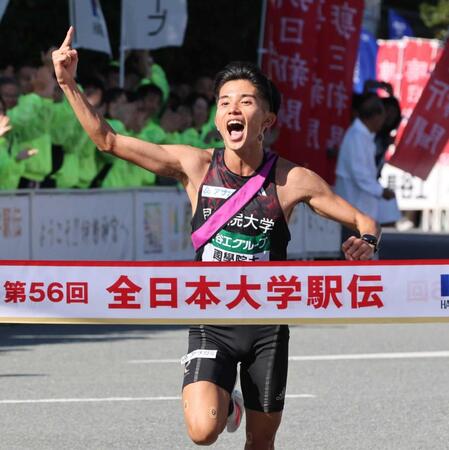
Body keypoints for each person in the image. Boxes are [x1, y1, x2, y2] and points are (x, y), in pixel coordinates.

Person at [52, 27, 380, 449]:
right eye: (225, 102)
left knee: (260, 444)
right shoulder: (195, 166)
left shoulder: (292, 180)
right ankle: (227, 407)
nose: (233, 109)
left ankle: (239, 406)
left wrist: (366, 243)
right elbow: (108, 140)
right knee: (203, 431)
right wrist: (67, 83)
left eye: (246, 101)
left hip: (267, 326)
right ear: (218, 119)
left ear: (268, 120)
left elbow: (363, 219)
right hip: (212, 321)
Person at [334, 93, 401, 227]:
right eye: (383, 117)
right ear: (375, 117)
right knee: (354, 244)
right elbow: (360, 175)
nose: (384, 122)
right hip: (353, 205)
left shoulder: (362, 136)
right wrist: (381, 191)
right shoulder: (357, 137)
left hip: (359, 206)